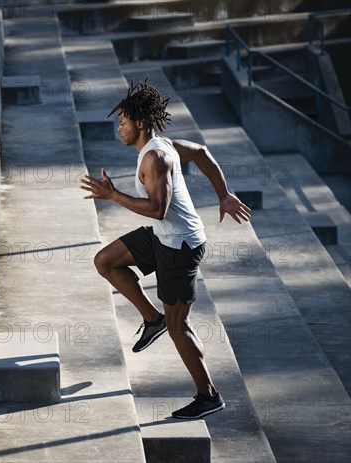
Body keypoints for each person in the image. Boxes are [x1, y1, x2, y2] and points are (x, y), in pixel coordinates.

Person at [79, 78, 251, 420]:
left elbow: (158, 208)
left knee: (180, 327)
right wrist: (224, 195)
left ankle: (209, 395)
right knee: (106, 261)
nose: (119, 128)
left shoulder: (156, 157)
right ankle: (151, 318)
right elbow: (202, 153)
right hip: (163, 236)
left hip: (180, 247)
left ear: (140, 123)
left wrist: (113, 195)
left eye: (123, 122)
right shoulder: (162, 144)